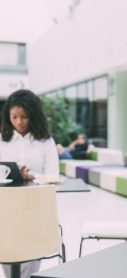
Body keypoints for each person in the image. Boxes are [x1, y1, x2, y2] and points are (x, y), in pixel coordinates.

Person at [0, 89, 59, 278]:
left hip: (36, 209)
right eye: (14, 116)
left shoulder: (45, 142)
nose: (18, 122)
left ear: (33, 116)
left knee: (30, 251)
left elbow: (53, 176)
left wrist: (32, 176)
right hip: (6, 209)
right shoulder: (2, 140)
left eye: (24, 117)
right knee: (7, 250)